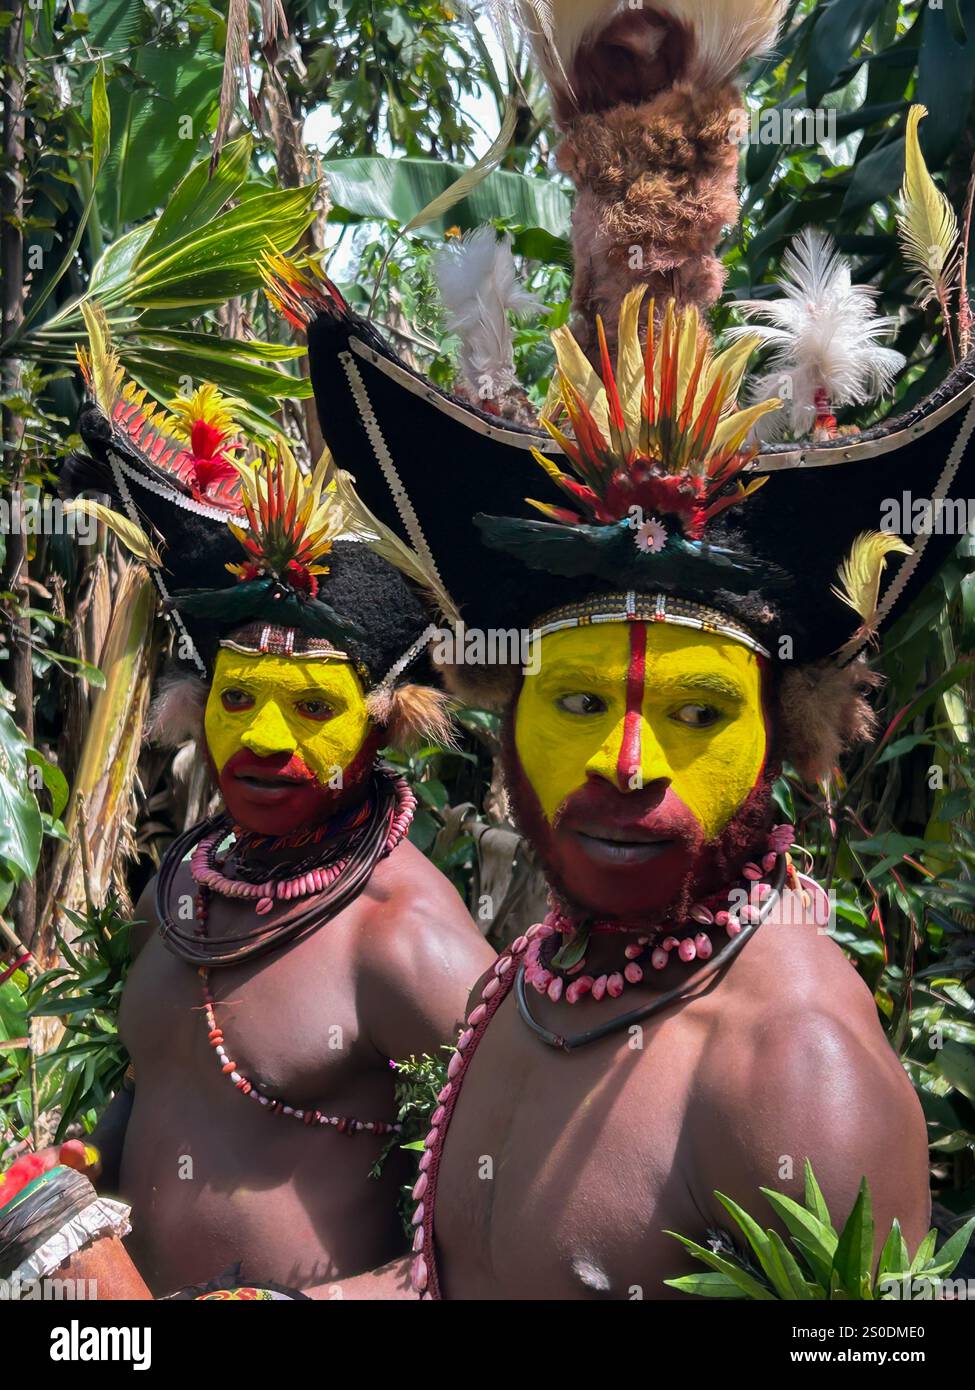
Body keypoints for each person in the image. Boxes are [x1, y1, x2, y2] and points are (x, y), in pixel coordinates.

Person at [284, 0, 975, 1298]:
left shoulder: (787, 1071)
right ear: (498, 706)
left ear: (787, 732)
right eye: (579, 695)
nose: (622, 759)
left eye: (699, 713)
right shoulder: (535, 981)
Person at [57, 349, 493, 1297]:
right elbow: (160, 1086)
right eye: (240, 696)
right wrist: (74, 1174)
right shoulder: (183, 884)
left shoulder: (407, 943)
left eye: (309, 707)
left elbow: (495, 1231)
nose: (263, 740)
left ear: (382, 725)